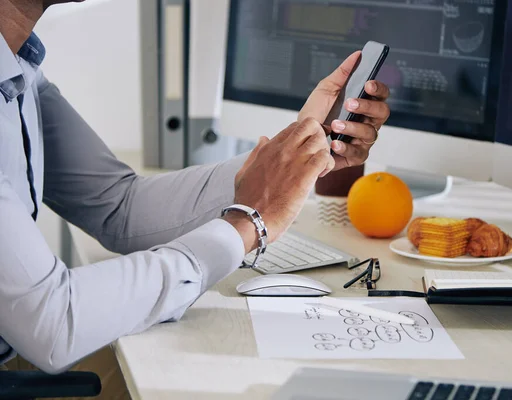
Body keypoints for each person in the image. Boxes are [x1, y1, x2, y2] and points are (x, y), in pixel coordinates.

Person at [0, 0, 391, 397]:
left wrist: (295, 154)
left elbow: (118, 206)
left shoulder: (18, 63)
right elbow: (52, 323)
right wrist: (246, 224)